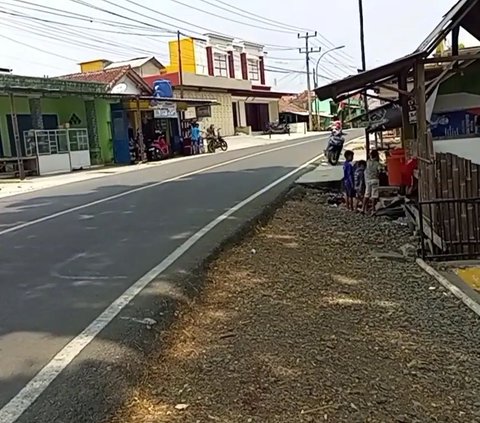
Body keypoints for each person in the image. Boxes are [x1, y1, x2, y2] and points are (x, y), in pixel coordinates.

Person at [363, 149, 382, 214]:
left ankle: (363, 209)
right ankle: (373, 209)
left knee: (366, 194)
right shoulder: (377, 163)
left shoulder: (368, 162)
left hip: (368, 180)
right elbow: (380, 170)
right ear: (377, 156)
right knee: (374, 195)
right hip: (375, 180)